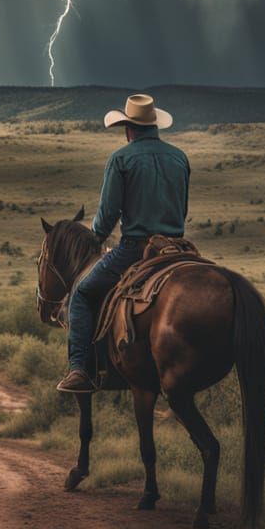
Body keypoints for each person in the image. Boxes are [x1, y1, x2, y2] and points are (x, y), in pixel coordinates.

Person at [56, 93, 190, 393]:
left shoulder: (121, 159)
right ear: (154, 125)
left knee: (80, 294)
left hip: (136, 250)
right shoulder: (180, 157)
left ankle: (80, 370)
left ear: (129, 128)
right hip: (178, 248)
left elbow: (107, 215)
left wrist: (98, 240)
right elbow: (182, 210)